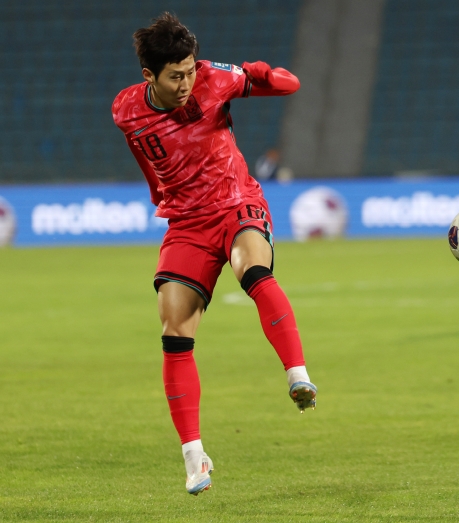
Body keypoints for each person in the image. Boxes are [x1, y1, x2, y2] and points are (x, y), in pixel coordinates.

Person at [111, 13, 317, 495]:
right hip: (187, 221)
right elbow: (147, 158)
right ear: (149, 76)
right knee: (174, 326)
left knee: (253, 271)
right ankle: (194, 456)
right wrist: (159, 196)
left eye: (189, 71)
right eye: (175, 76)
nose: (186, 83)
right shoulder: (125, 109)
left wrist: (263, 74)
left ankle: (297, 375)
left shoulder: (214, 78)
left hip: (237, 203)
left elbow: (290, 86)